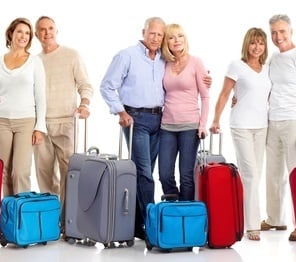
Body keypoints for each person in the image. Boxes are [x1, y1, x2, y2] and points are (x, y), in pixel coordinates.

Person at [100, 17, 211, 240]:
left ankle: (157, 220)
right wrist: (120, 112)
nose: (156, 38)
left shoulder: (164, 59)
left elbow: (198, 86)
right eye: (154, 34)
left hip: (159, 121)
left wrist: (206, 81)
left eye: (161, 35)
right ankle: (151, 224)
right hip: (137, 120)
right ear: (144, 32)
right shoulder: (127, 55)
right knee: (147, 173)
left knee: (151, 174)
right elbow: (107, 86)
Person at [260, 14, 296, 242]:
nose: (278, 36)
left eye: (282, 31)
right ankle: (275, 218)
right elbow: (265, 87)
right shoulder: (274, 58)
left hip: (294, 121)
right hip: (272, 121)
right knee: (273, 174)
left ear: (291, 31)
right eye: (273, 32)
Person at [210, 27, 271, 241]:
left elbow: (268, 96)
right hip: (241, 125)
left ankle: (252, 218)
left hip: (262, 126)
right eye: (253, 43)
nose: (257, 47)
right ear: (247, 44)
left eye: (261, 43)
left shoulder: (267, 68)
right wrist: (216, 119)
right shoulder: (236, 66)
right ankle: (252, 225)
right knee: (250, 174)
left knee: (256, 175)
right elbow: (225, 93)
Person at [32, 16, 94, 224]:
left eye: (50, 28)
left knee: (70, 173)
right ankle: (51, 220)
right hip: (40, 124)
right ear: (36, 34)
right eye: (42, 30)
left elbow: (85, 85)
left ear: (56, 31)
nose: (47, 32)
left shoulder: (71, 55)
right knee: (44, 174)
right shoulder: (34, 61)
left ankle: (68, 221)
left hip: (67, 121)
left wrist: (84, 104)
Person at [0, 17, 47, 197]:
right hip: (2, 121)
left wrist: (40, 127)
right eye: (20, 31)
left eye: (27, 33)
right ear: (11, 33)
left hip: (26, 121)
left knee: (20, 171)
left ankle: (21, 217)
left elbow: (41, 96)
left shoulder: (35, 62)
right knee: (4, 171)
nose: (23, 36)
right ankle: (9, 218)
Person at [158, 23, 210, 201]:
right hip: (167, 127)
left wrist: (202, 125)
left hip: (190, 127)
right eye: (171, 37)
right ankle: (174, 211)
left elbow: (205, 97)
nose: (176, 40)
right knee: (164, 174)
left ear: (185, 39)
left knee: (186, 177)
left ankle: (186, 218)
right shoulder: (164, 63)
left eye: (180, 36)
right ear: (167, 42)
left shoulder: (196, 62)